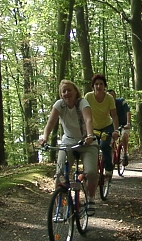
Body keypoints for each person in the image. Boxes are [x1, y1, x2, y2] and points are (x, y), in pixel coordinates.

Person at [39, 79, 98, 209]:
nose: (66, 93)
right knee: (60, 175)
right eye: (63, 91)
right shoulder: (59, 105)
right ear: (61, 94)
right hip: (68, 142)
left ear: (76, 92)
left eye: (69, 90)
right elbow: (50, 123)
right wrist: (44, 138)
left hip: (87, 142)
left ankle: (91, 198)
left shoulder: (82, 102)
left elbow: (88, 119)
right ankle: (59, 207)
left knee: (92, 172)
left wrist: (89, 135)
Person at [85, 74, 120, 178]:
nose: (99, 86)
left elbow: (114, 116)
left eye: (101, 84)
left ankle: (108, 169)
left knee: (104, 146)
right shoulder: (88, 96)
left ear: (104, 86)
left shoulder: (109, 98)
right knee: (91, 148)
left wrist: (116, 131)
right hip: (93, 127)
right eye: (96, 84)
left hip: (106, 127)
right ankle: (91, 169)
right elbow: (84, 114)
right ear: (93, 86)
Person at [108, 89, 131, 166]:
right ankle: (111, 157)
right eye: (109, 96)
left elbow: (128, 111)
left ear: (115, 96)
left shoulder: (121, 101)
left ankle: (124, 154)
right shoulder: (106, 104)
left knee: (124, 136)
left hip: (123, 124)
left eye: (113, 95)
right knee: (108, 140)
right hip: (112, 125)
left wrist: (128, 123)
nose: (111, 97)